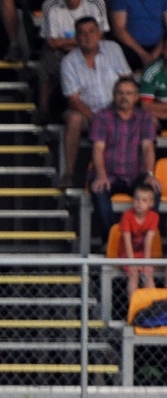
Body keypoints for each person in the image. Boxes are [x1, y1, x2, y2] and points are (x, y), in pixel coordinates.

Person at [59, 16, 130, 187]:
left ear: (99, 34)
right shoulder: (69, 62)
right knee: (73, 119)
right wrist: (96, 118)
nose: (87, 36)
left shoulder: (113, 49)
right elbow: (73, 100)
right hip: (87, 113)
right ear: (76, 38)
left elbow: (127, 82)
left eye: (91, 32)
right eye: (82, 33)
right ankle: (69, 173)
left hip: (116, 109)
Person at [89, 77, 160, 244]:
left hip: (135, 175)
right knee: (99, 191)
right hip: (109, 175)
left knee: (154, 189)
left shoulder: (145, 117)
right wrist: (101, 175)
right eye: (120, 93)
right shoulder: (102, 116)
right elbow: (98, 148)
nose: (124, 97)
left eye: (129, 93)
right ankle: (111, 242)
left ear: (136, 97)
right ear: (114, 95)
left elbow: (148, 147)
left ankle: (142, 242)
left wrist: (150, 175)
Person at [36, 0, 109, 125]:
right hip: (61, 52)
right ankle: (44, 110)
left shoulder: (96, 3)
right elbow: (52, 42)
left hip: (91, 49)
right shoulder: (50, 5)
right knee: (47, 61)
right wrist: (80, 42)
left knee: (108, 53)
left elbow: (99, 36)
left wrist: (67, 41)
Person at [118, 184, 159, 296]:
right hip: (127, 254)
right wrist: (132, 263)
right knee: (133, 275)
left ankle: (151, 308)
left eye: (144, 200)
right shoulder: (127, 215)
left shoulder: (154, 216)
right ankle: (134, 309)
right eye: (136, 199)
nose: (139, 203)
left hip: (143, 254)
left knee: (148, 275)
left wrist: (146, 263)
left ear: (151, 203)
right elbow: (126, 240)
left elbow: (148, 241)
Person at [109, 0, 167, 72]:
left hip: (160, 46)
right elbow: (119, 30)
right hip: (131, 47)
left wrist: (157, 52)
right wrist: (143, 55)